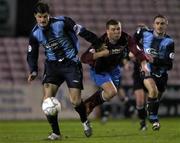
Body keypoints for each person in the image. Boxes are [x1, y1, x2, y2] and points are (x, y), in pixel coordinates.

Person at [27, 2, 102, 140]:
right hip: (52, 66)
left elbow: (82, 31)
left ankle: (84, 121)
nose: (42, 20)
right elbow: (32, 53)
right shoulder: (35, 33)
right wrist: (33, 70)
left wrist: (98, 43)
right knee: (47, 100)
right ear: (35, 16)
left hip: (70, 64)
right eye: (39, 17)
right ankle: (56, 133)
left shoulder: (63, 22)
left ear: (49, 15)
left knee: (75, 101)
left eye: (45, 16)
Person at [80, 19, 148, 117]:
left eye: (118, 29)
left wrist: (144, 65)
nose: (117, 32)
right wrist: (101, 53)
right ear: (107, 31)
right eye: (113, 29)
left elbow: (137, 51)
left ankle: (88, 103)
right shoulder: (101, 43)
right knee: (112, 91)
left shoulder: (126, 38)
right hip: (99, 70)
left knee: (111, 93)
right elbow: (84, 58)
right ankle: (89, 104)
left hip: (114, 70)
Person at [134, 15, 175, 131]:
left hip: (162, 74)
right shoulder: (145, 33)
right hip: (147, 70)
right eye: (157, 23)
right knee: (153, 90)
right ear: (153, 25)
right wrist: (135, 54)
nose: (159, 26)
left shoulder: (169, 42)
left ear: (166, 25)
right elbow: (133, 42)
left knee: (157, 97)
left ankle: (151, 108)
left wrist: (155, 60)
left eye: (162, 23)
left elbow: (169, 64)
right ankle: (154, 119)